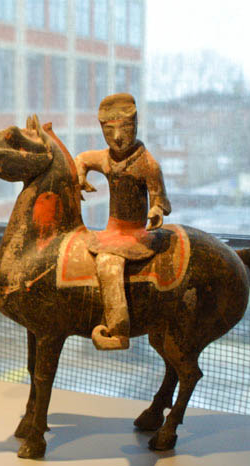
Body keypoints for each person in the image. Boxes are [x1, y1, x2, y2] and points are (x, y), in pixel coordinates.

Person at [75, 93, 171, 350]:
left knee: (108, 264)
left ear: (135, 126)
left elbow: (160, 199)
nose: (117, 137)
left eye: (125, 129)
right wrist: (80, 176)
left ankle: (119, 332)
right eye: (109, 131)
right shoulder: (106, 158)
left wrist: (156, 211)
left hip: (133, 234)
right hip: (112, 229)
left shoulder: (148, 165)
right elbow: (82, 159)